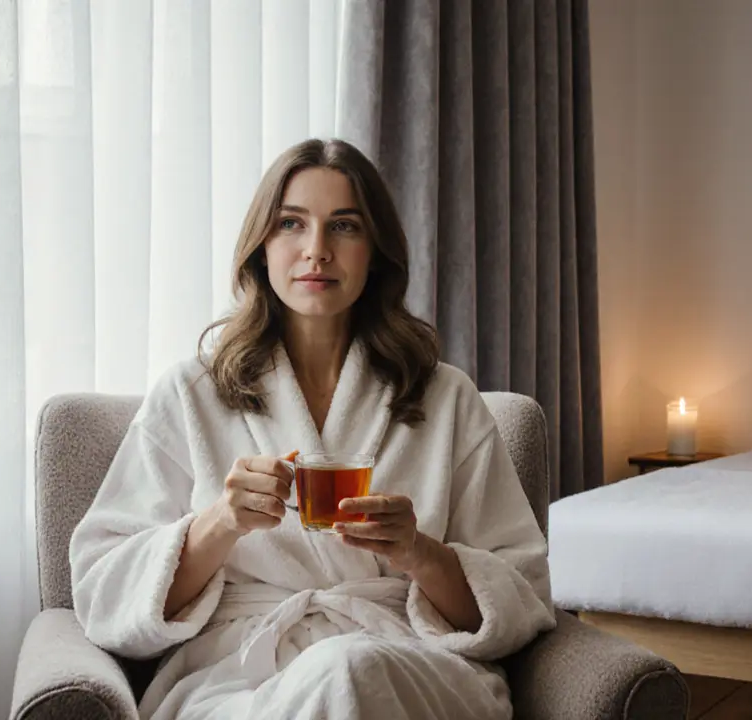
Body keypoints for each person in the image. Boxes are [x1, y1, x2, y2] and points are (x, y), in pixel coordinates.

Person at [69, 138, 556, 720]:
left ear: (375, 250)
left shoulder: (445, 396)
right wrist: (221, 523)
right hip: (239, 679)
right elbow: (104, 593)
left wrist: (417, 552)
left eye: (344, 226)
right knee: (332, 677)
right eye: (291, 224)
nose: (316, 250)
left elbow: (521, 597)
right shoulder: (190, 395)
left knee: (349, 669)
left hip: (407, 663)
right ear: (262, 247)